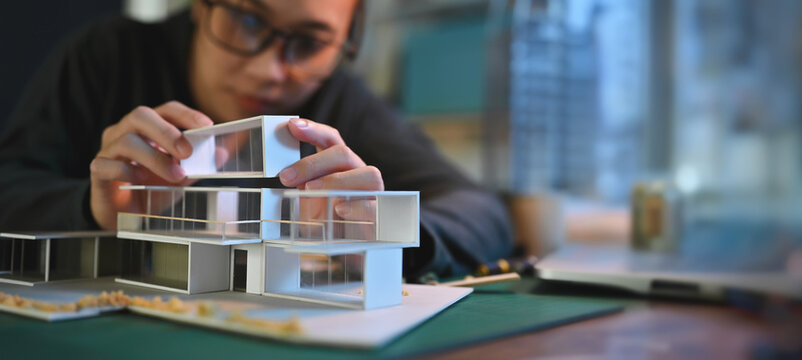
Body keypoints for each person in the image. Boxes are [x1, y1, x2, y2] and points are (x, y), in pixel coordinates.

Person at [0, 0, 513, 279]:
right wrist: (90, 211)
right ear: (200, 7)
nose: (267, 70)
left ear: (346, 44)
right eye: (246, 19)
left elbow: (481, 211)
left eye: (309, 43)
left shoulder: (340, 103)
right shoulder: (105, 56)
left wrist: (390, 232)